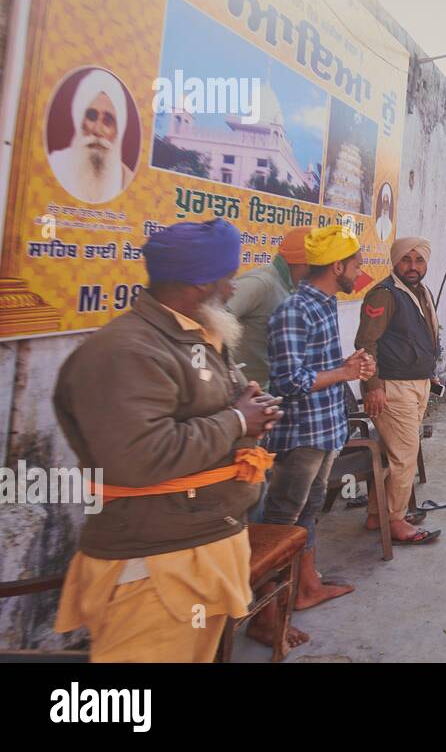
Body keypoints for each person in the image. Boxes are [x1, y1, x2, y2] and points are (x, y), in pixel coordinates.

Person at [52, 218, 282, 662]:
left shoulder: (192, 334)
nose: (233, 290)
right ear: (199, 284)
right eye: (227, 280)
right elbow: (138, 458)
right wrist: (237, 420)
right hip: (155, 567)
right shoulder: (127, 352)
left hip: (202, 549)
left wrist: (249, 410)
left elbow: (208, 409)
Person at [264, 224, 374, 638]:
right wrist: (342, 371)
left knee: (307, 513)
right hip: (301, 435)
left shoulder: (325, 304)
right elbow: (289, 381)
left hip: (327, 426)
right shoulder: (294, 310)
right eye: (357, 266)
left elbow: (321, 369)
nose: (359, 273)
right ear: (338, 265)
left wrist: (353, 366)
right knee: (281, 521)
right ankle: (267, 614)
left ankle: (306, 587)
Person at [352, 235, 442, 546]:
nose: (413, 266)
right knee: (405, 456)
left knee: (396, 454)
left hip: (417, 383)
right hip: (392, 386)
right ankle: (396, 521)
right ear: (395, 261)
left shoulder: (419, 292)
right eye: (406, 260)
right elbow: (365, 344)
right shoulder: (384, 295)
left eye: (419, 261)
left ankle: (378, 514)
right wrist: (372, 387)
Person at [227, 226, 312, 386]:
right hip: (244, 394)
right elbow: (213, 318)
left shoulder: (292, 288)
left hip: (269, 394)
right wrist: (233, 375)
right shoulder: (262, 283)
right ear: (306, 263)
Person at [47, 68, 135, 203]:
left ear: (118, 131)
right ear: (80, 121)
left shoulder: (127, 180)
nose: (97, 130)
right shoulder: (55, 165)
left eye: (108, 121)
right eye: (92, 116)